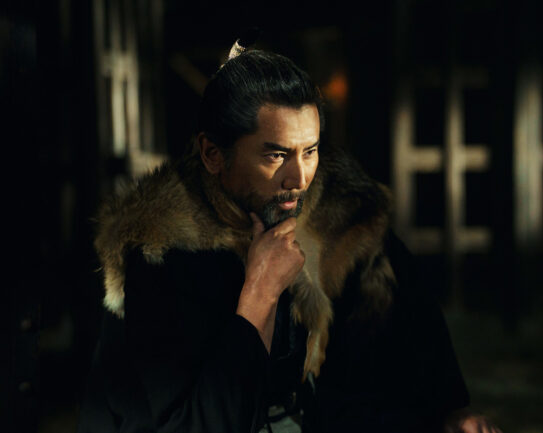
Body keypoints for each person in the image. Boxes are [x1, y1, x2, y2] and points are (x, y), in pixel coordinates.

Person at [78, 36, 500, 433]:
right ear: (213, 155)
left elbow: (411, 308)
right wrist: (259, 293)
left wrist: (451, 410)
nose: (299, 178)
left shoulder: (333, 207)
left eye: (309, 151)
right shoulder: (160, 253)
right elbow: (192, 425)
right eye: (276, 155)